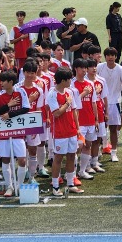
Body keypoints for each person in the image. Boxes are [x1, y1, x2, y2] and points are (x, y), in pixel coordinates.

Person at [0, 71, 31, 197]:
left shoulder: (21, 92)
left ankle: (19, 185)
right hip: (4, 132)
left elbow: (26, 108)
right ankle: (9, 186)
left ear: (11, 82)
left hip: (18, 132)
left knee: (22, 160)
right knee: (6, 159)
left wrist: (10, 114)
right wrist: (8, 105)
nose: (1, 83)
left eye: (4, 81)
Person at [46, 67, 83, 196]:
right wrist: (66, 104)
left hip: (71, 130)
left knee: (72, 156)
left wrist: (77, 128)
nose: (71, 82)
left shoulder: (69, 92)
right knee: (58, 158)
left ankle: (70, 183)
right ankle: (55, 186)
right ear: (62, 81)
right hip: (60, 132)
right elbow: (56, 114)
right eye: (69, 79)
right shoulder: (52, 94)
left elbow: (74, 111)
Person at [96, 47, 122, 163]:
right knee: (99, 128)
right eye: (108, 55)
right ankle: (99, 150)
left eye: (113, 55)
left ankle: (113, 152)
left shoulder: (120, 69)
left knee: (113, 129)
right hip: (100, 102)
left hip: (114, 103)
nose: (110, 57)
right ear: (105, 57)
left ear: (116, 56)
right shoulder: (100, 67)